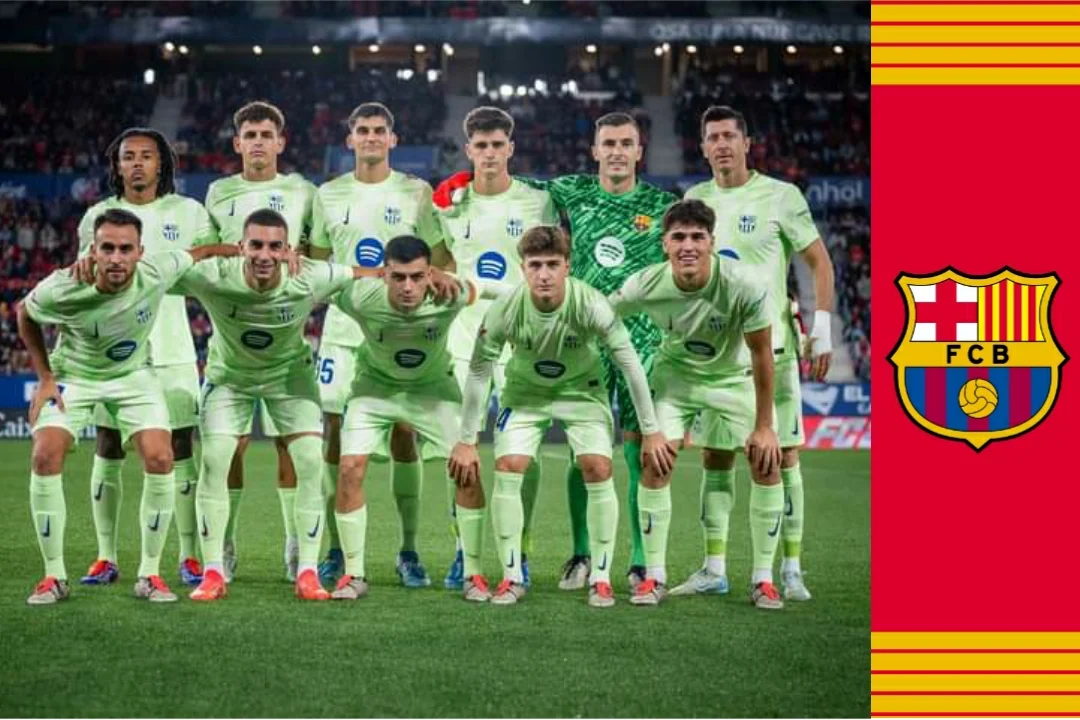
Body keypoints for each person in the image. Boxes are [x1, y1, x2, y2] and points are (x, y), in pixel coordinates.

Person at [436, 112, 677, 592]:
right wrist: (459, 181)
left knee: (640, 453)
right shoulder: (571, 191)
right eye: (608, 143)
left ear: (639, 150)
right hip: (579, 333)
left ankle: (640, 561)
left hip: (642, 337)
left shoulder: (663, 205)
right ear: (595, 150)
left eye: (625, 143)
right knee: (582, 452)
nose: (616, 151)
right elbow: (508, 179)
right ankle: (582, 555)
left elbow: (685, 262)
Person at [448, 226, 675, 607]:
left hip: (582, 393)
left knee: (597, 466)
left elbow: (630, 365)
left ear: (567, 266)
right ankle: (512, 577)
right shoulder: (504, 308)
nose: (544, 274)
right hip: (524, 395)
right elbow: (479, 372)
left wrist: (651, 430)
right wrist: (467, 439)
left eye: (552, 264)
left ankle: (600, 578)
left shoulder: (591, 304)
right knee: (509, 465)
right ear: (523, 268)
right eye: (535, 265)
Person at [18, 208, 236, 605]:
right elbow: (25, 313)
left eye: (125, 249)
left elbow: (201, 252)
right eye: (107, 248)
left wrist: (246, 250)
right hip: (75, 375)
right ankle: (53, 576)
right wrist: (45, 376)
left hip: (134, 375)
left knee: (161, 457)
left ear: (140, 252)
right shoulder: (64, 285)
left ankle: (150, 575)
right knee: (45, 455)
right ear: (93, 251)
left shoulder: (157, 270)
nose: (116, 258)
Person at [681, 106, 835, 602]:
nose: (722, 144)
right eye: (713, 137)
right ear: (703, 147)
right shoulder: (695, 199)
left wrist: (822, 328)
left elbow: (820, 263)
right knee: (715, 454)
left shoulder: (781, 196)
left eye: (730, 135)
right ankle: (714, 568)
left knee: (781, 455)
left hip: (773, 351)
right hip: (715, 357)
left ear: (746, 143)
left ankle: (790, 568)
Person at [608, 199, 784, 609]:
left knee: (766, 460)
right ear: (664, 244)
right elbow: (601, 314)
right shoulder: (645, 284)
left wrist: (764, 426)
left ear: (711, 242)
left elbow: (761, 353)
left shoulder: (743, 284)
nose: (688, 246)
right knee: (655, 461)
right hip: (677, 378)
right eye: (678, 237)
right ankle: (654, 578)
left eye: (697, 237)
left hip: (733, 378)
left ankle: (763, 580)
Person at [307, 102, 447, 587]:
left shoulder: (416, 192)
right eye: (362, 130)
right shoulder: (327, 194)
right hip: (343, 333)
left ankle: (408, 549)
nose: (370, 137)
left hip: (400, 333)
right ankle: (335, 549)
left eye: (379, 130)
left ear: (393, 139)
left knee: (404, 431)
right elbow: (319, 265)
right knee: (335, 435)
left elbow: (440, 260)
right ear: (349, 139)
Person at [75, 128, 216, 588]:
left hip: (172, 347)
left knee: (180, 447)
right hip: (114, 352)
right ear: (116, 165)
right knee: (108, 444)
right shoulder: (97, 216)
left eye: (147, 156)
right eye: (128, 156)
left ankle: (189, 555)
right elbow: (86, 278)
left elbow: (207, 273)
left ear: (162, 164)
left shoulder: (189, 212)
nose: (137, 163)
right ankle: (106, 556)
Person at [429, 106, 558, 590]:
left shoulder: (537, 202)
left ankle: (519, 549)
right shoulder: (450, 203)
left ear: (510, 148)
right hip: (465, 343)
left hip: (523, 343)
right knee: (461, 451)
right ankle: (465, 553)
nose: (488, 153)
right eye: (480, 146)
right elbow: (439, 264)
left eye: (497, 145)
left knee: (523, 453)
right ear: (468, 150)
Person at [204, 101, 317, 583]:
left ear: (280, 142)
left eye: (266, 134)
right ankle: (224, 546)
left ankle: (295, 547)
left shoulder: (303, 191)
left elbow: (316, 251)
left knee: (292, 447)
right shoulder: (219, 192)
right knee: (229, 449)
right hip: (233, 334)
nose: (257, 142)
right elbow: (209, 255)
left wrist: (298, 258)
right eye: (249, 134)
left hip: (284, 332)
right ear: (237, 143)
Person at [326, 235, 473, 601]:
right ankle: (353, 574)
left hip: (433, 389)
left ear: (430, 274)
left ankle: (469, 569)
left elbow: (489, 289)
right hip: (374, 389)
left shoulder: (449, 294)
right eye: (398, 277)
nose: (408, 287)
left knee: (467, 467)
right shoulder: (360, 297)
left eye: (417, 277)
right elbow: (318, 280)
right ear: (384, 274)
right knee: (349, 467)